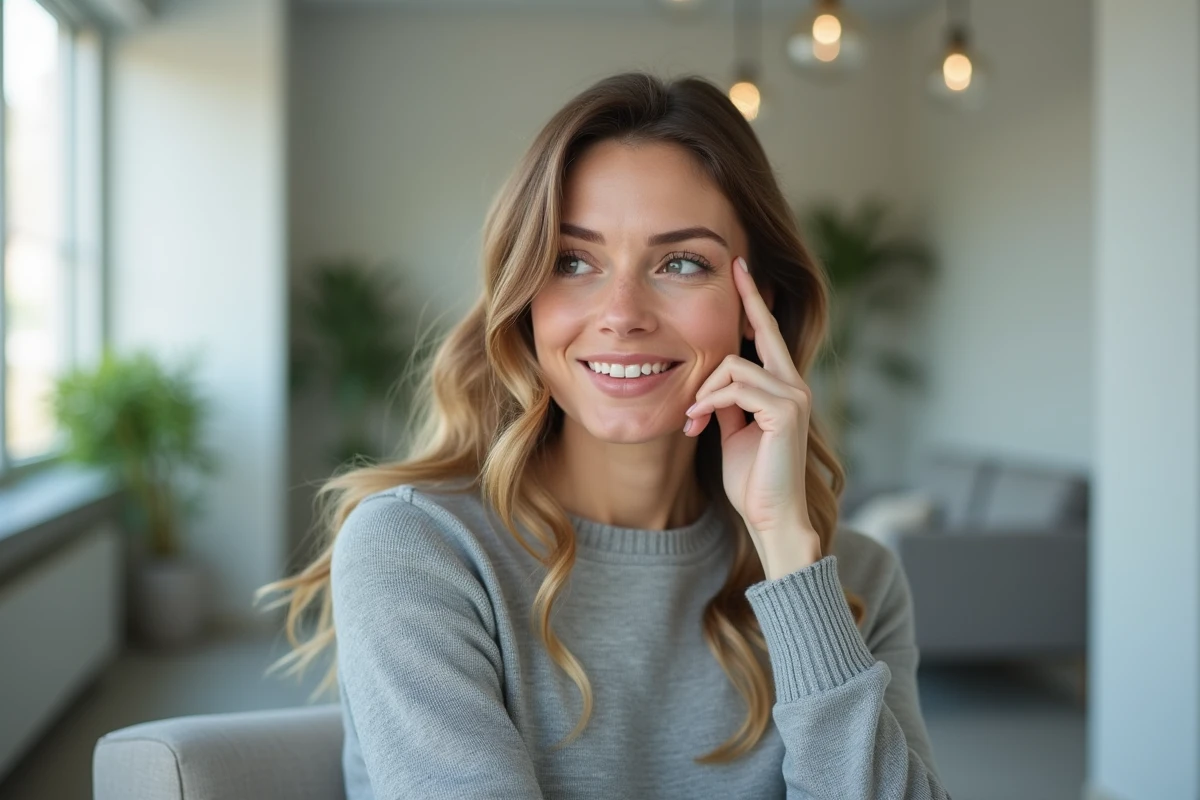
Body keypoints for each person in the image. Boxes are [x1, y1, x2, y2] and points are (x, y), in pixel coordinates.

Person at [256, 71, 950, 799]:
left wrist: (787, 551)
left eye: (682, 262)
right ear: (524, 298)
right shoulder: (420, 549)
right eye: (572, 261)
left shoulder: (853, 580)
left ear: (758, 307)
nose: (622, 313)